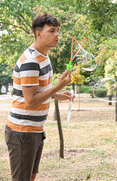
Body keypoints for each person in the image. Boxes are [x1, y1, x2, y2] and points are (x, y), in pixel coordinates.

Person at [5, 13, 72, 181]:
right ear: (38, 34)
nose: (57, 35)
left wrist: (58, 94)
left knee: (31, 177)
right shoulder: (31, 60)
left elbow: (40, 91)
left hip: (35, 130)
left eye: (58, 31)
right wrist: (58, 86)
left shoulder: (44, 57)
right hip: (22, 131)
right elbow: (31, 101)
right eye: (52, 31)